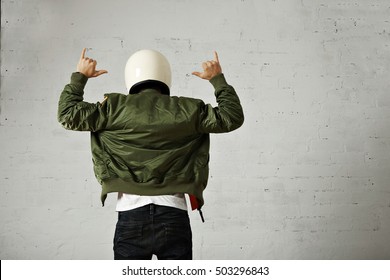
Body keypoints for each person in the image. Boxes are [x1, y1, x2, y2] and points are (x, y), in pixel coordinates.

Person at [57, 48, 244, 260]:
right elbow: (232, 117)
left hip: (130, 216)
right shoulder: (189, 109)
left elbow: (67, 115)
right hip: (174, 214)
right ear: (166, 77)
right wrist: (217, 79)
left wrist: (80, 77)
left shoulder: (111, 108)